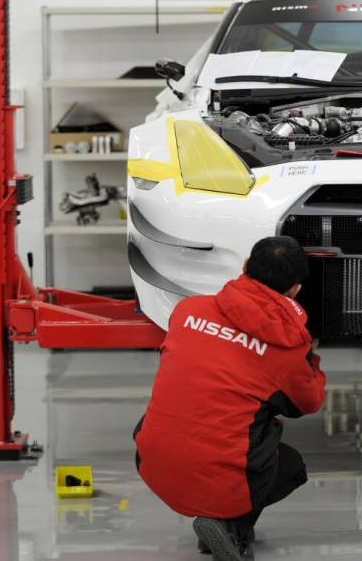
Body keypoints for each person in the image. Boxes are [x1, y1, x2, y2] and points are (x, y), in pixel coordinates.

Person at [133, 236, 326, 561]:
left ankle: (219, 523)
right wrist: (310, 359)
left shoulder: (187, 311)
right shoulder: (287, 348)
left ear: (246, 267)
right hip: (224, 477)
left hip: (151, 461)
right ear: (295, 290)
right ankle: (230, 527)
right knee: (289, 464)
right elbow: (307, 403)